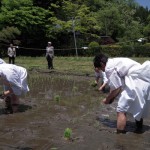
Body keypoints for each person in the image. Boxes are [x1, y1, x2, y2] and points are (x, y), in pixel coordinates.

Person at [93, 53, 150, 134]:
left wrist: (107, 99)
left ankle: (120, 137)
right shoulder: (114, 62)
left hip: (136, 80)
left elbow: (117, 88)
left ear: (102, 64)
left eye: (101, 68)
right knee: (137, 105)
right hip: (143, 80)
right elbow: (117, 86)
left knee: (121, 109)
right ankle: (139, 128)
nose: (103, 71)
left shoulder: (109, 67)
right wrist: (112, 97)